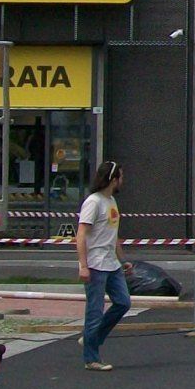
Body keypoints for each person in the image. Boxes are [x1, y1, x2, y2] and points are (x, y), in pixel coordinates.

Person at [76, 159, 129, 371]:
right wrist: (83, 265)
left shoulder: (111, 202)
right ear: (113, 179)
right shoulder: (93, 202)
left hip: (111, 262)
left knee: (123, 302)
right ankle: (91, 358)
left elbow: (113, 234)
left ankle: (93, 338)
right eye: (121, 177)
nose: (123, 181)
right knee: (95, 311)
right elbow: (81, 235)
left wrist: (123, 259)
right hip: (96, 262)